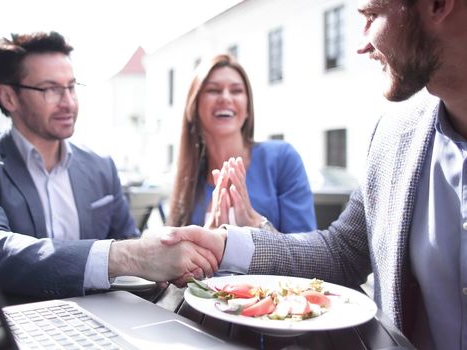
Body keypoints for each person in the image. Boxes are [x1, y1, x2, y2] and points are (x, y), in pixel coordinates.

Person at [162, 0, 467, 349]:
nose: (361, 43)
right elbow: (341, 253)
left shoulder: (282, 157)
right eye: (213, 91)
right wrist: (225, 242)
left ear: (438, 5)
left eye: (371, 16)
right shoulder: (393, 135)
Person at [0, 31, 217, 299]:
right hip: (18, 328)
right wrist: (131, 255)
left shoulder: (100, 166)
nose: (69, 102)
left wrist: (165, 257)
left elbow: (134, 254)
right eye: (51, 89)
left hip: (100, 326)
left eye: (71, 86)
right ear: (8, 97)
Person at [168, 54, 316, 233]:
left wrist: (256, 223)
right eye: (213, 90)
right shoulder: (188, 179)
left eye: (236, 90)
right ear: (194, 107)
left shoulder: (282, 158)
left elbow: (307, 253)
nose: (225, 97)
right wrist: (205, 241)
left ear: (247, 108)